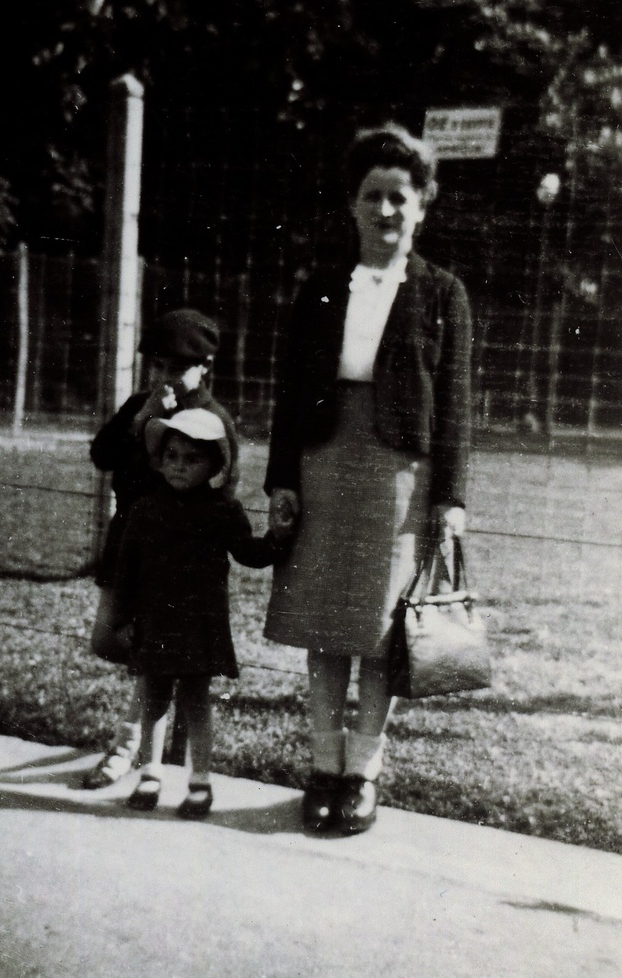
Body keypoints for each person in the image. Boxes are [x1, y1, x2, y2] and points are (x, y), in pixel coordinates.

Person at [264, 124, 472, 834]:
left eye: (399, 198)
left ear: (424, 205)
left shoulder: (444, 294)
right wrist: (282, 479)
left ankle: (363, 774)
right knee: (326, 627)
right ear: (353, 205)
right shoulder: (320, 287)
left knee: (381, 632)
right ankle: (323, 766)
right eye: (372, 197)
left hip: (398, 481)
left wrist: (452, 499)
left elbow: (457, 406)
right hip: (325, 465)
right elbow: (290, 392)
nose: (385, 211)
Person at [83, 308, 240, 790]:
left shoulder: (212, 421)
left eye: (177, 367)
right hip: (131, 545)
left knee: (157, 656)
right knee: (111, 639)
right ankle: (142, 742)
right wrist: (142, 421)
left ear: (205, 366)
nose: (165, 376)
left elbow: (221, 489)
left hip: (179, 561)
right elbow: (102, 457)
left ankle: (128, 747)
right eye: (157, 365)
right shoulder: (140, 405)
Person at [110, 408, 292, 816]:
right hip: (154, 619)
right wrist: (122, 619)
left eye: (192, 459)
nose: (178, 466)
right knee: (154, 698)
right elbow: (126, 570)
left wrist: (278, 538)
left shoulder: (223, 511)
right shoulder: (144, 510)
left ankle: (200, 781)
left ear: (214, 465)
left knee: (195, 699)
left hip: (200, 622)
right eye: (171, 455)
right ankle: (150, 774)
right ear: (159, 459)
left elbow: (250, 553)